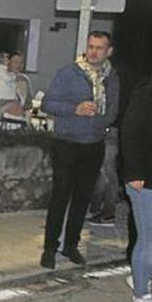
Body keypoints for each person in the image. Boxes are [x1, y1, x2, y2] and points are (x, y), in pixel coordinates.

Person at [39, 31, 119, 269]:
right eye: (91, 47)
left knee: (83, 197)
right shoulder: (69, 73)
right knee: (61, 195)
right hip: (67, 143)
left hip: (93, 144)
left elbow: (114, 110)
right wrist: (75, 109)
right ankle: (49, 248)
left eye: (99, 48)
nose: (93, 52)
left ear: (108, 52)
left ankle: (71, 245)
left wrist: (100, 120)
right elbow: (47, 103)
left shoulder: (112, 78)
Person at [121, 74, 152, 302]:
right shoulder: (146, 96)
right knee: (150, 239)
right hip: (145, 182)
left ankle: (140, 275)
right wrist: (134, 173)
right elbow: (129, 135)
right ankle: (141, 296)